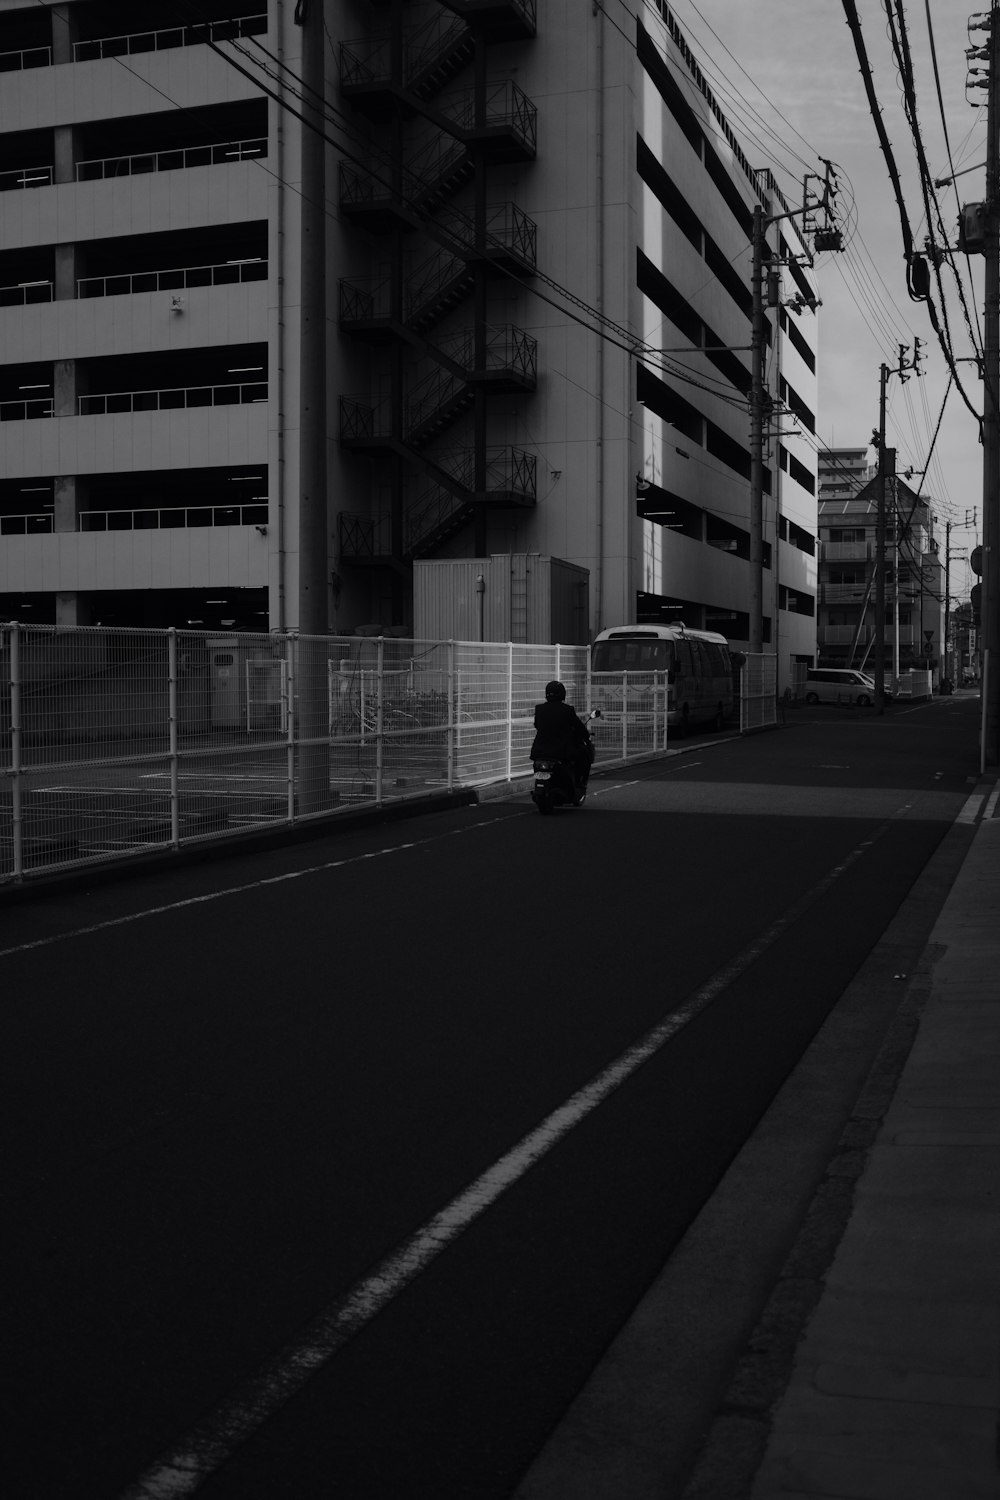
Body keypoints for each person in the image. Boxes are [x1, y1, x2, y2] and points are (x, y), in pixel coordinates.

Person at [529, 680, 594, 789]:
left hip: (540, 749)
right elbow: (579, 727)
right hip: (561, 751)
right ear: (562, 694)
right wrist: (586, 735)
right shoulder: (567, 710)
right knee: (584, 754)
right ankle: (579, 783)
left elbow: (537, 725)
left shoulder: (539, 709)